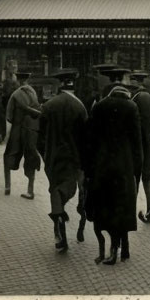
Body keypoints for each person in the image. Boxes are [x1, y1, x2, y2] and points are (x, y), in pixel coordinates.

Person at [84, 80, 142, 265]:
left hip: (103, 166)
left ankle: (112, 250)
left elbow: (90, 140)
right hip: (124, 167)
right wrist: (137, 170)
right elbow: (136, 142)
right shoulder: (132, 107)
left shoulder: (99, 107)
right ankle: (123, 248)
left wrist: (88, 168)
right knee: (122, 206)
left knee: (106, 207)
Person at [37, 69, 88, 253]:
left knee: (55, 190)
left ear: (59, 84)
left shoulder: (49, 106)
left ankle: (59, 233)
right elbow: (85, 138)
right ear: (74, 84)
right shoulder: (80, 107)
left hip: (54, 157)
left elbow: (40, 137)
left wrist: (44, 155)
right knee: (71, 189)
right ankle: (76, 223)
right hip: (74, 158)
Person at [3, 70, 41, 199]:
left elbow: (9, 116)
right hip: (32, 130)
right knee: (31, 157)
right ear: (28, 79)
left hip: (18, 129)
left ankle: (7, 187)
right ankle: (30, 190)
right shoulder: (33, 92)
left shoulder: (15, 94)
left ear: (17, 80)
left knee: (8, 155)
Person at [128, 71, 150, 224]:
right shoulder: (147, 97)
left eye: (132, 81)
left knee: (137, 180)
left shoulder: (139, 98)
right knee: (147, 179)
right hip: (147, 146)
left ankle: (136, 213)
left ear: (136, 82)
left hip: (140, 147)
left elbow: (144, 124)